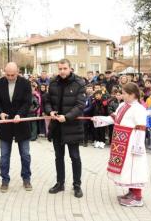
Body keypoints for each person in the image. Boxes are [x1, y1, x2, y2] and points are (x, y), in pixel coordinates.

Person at [91, 82, 148, 207]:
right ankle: (131, 192)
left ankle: (137, 197)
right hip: (121, 142)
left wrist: (138, 146)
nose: (122, 96)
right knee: (127, 168)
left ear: (133, 95)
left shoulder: (139, 109)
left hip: (132, 143)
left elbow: (141, 128)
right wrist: (99, 118)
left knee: (134, 168)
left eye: (124, 93)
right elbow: (114, 118)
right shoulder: (123, 105)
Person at [43, 59, 85, 198]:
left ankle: (77, 185)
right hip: (57, 127)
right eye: (60, 68)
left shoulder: (79, 83)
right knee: (58, 157)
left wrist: (66, 117)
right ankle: (60, 183)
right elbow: (47, 101)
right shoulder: (53, 82)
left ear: (70, 68)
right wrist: (50, 112)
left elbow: (80, 106)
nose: (62, 71)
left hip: (72, 126)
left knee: (75, 157)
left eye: (64, 68)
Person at [0, 62, 33, 193]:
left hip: (21, 123)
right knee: (4, 155)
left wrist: (19, 114)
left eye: (13, 75)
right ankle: (4, 180)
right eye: (7, 75)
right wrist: (0, 113)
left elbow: (27, 102)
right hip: (5, 125)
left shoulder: (25, 83)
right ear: (4, 72)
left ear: (18, 72)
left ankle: (26, 178)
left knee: (25, 154)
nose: (10, 77)